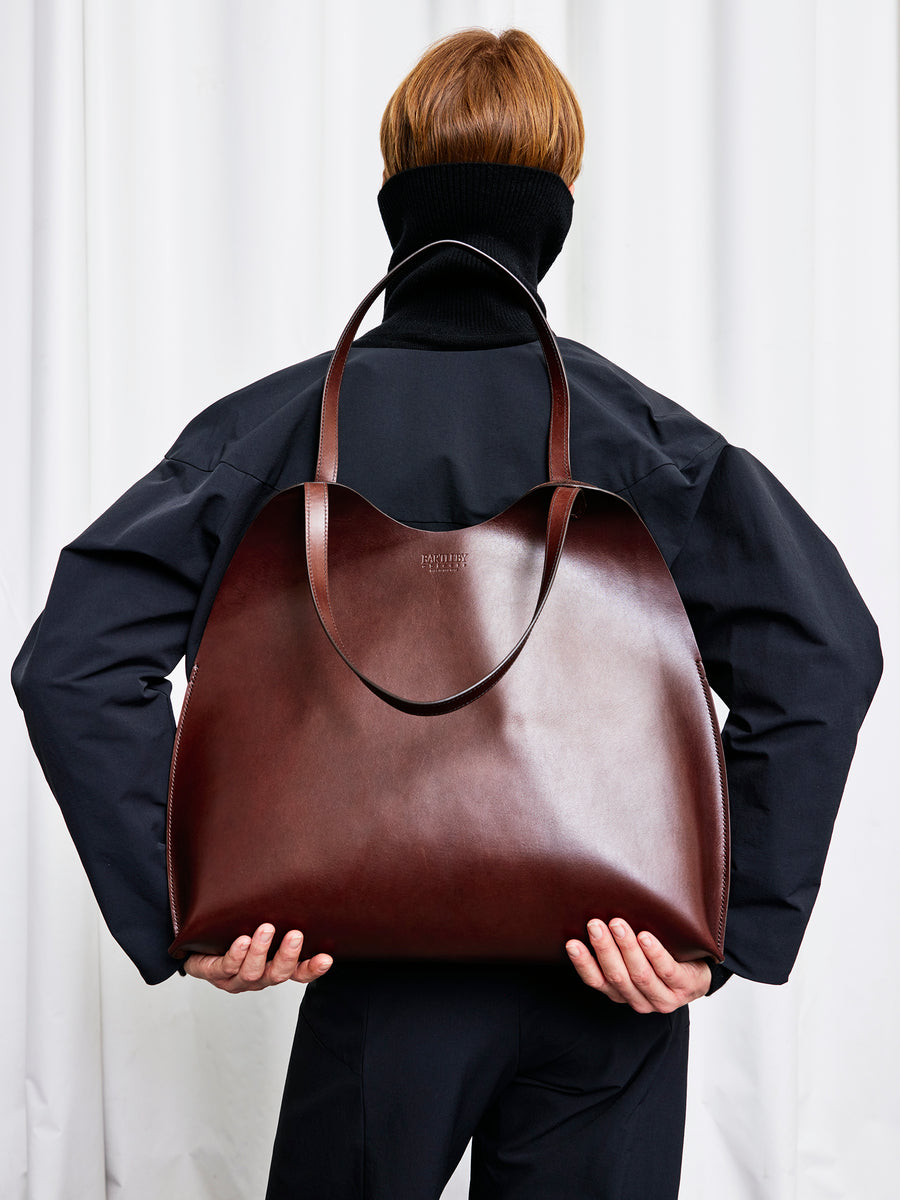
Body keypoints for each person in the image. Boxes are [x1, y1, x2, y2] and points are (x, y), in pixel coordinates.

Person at [11, 27, 882, 1200]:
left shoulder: (272, 429)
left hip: (380, 989)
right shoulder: (642, 440)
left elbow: (73, 659)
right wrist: (715, 931)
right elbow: (823, 652)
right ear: (556, 209)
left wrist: (184, 902)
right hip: (607, 980)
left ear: (394, 201)